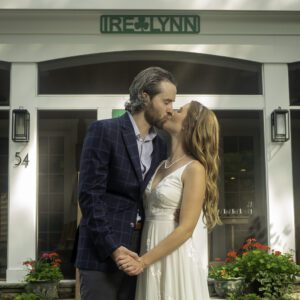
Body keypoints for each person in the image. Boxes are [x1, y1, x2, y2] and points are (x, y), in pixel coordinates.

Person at [74, 66, 177, 300]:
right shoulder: (104, 131)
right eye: (167, 101)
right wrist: (112, 248)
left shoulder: (161, 145)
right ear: (145, 96)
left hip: (140, 253)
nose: (171, 110)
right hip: (101, 250)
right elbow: (90, 196)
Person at [117, 101, 221, 300]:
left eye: (180, 110)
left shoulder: (194, 169)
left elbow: (186, 228)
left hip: (174, 257)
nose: (171, 110)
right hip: (149, 249)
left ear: (189, 125)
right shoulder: (161, 164)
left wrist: (143, 262)